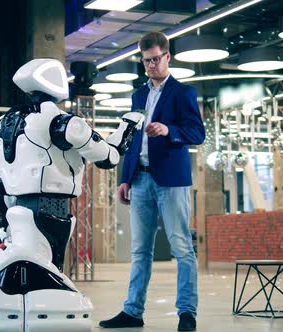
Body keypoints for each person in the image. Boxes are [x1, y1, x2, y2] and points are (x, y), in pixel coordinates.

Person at [0, 58, 144, 332]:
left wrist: (4, 224)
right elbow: (108, 157)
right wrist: (128, 127)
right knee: (46, 271)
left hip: (16, 212)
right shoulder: (63, 123)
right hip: (52, 211)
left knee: (28, 267)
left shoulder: (6, 125)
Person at [99, 32, 205, 331]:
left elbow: (197, 134)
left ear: (167, 57)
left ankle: (187, 313)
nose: (150, 66)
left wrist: (169, 130)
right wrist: (125, 178)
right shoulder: (137, 95)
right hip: (141, 180)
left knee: (182, 248)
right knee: (140, 250)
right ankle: (132, 311)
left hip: (172, 181)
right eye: (146, 61)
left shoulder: (183, 93)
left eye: (155, 59)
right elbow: (132, 141)